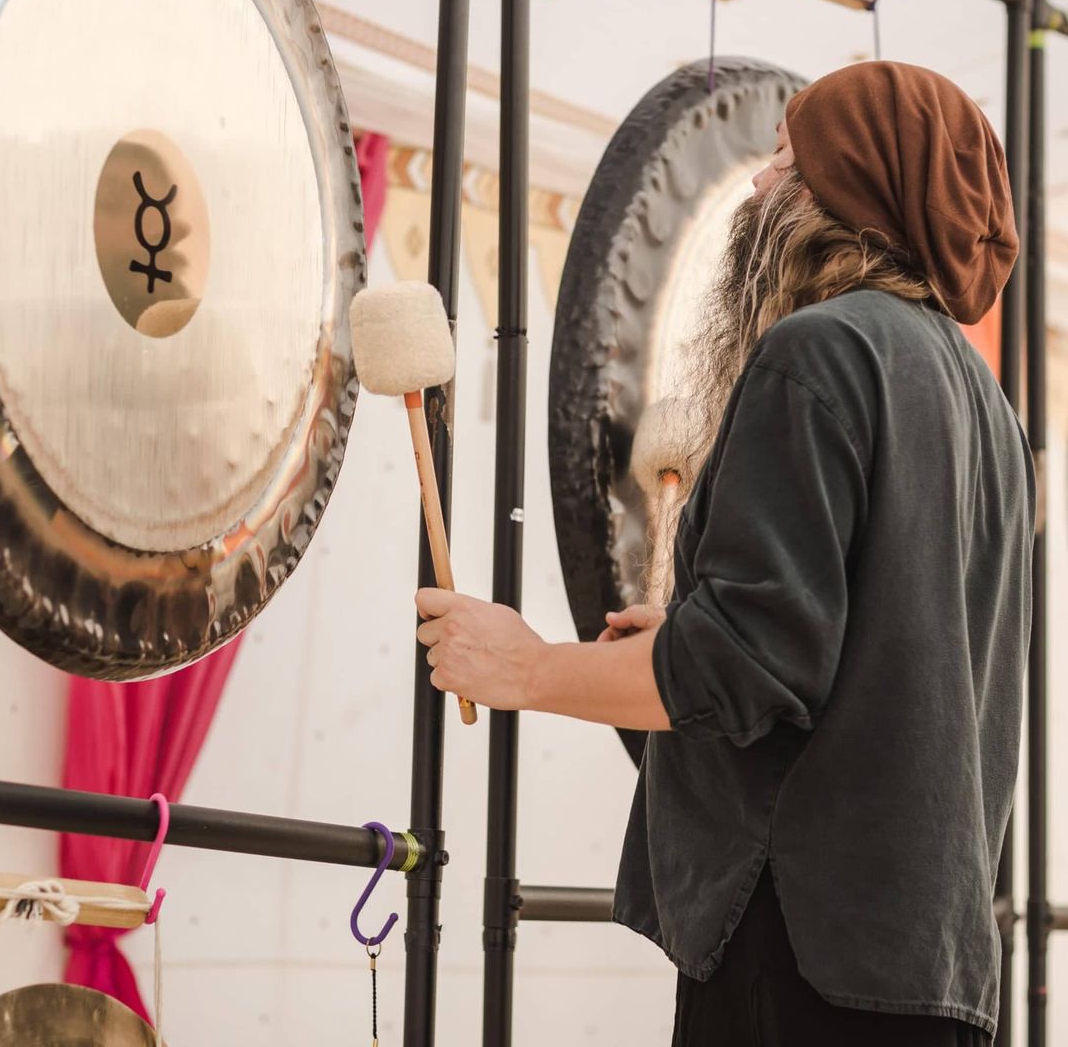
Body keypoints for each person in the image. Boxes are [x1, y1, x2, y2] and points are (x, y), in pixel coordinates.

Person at [415, 61, 1034, 1046]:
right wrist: (701, 627)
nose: (757, 183)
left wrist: (524, 666)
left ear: (854, 184)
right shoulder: (985, 404)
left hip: (804, 964)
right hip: (931, 964)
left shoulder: (822, 351)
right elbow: (867, 654)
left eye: (787, 158)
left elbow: (747, 672)